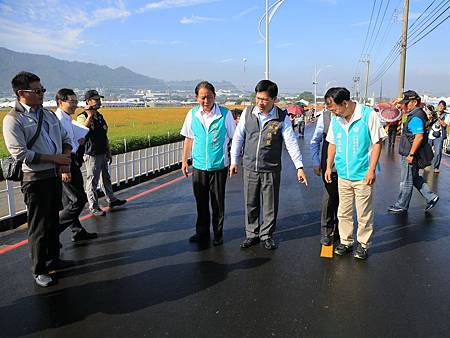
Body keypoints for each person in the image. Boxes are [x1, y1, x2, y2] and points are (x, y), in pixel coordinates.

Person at [3, 72, 73, 287]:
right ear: (21, 93)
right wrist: (55, 158)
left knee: (52, 221)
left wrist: (66, 157)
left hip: (53, 175)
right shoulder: (13, 119)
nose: (42, 94)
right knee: (39, 226)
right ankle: (39, 268)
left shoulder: (49, 115)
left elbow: (65, 138)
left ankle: (54, 258)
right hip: (35, 179)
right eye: (37, 91)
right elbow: (20, 153)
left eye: (42, 90)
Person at [230, 80, 308, 250]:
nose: (260, 103)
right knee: (251, 203)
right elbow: (238, 137)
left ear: (274, 99)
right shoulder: (248, 113)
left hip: (271, 168)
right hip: (250, 166)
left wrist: (299, 167)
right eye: (258, 98)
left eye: (265, 99)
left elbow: (291, 142)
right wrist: (234, 160)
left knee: (270, 204)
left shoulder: (281, 117)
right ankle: (252, 233)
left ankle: (266, 234)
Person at [324, 87, 386, 260]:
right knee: (344, 211)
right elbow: (332, 143)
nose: (334, 113)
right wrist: (329, 166)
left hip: (363, 174)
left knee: (364, 212)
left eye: (335, 108)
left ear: (345, 103)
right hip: (343, 174)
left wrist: (371, 170)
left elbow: (377, 143)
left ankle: (363, 244)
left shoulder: (367, 115)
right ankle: (346, 241)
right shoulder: (336, 119)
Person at [180, 81, 236, 246]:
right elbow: (188, 138)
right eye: (203, 97)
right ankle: (202, 232)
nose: (206, 101)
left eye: (209, 97)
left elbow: (235, 138)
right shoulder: (192, 114)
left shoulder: (225, 115)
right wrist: (184, 161)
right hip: (199, 166)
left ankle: (218, 234)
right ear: (196, 97)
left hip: (219, 166)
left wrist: (234, 161)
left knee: (218, 203)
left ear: (215, 97)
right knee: (201, 202)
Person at [54, 89, 98, 242]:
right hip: (66, 162)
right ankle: (52, 231)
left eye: (75, 102)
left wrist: (77, 142)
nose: (74, 105)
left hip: (71, 159)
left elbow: (70, 139)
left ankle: (77, 231)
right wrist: (64, 168)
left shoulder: (67, 118)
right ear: (61, 102)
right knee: (78, 200)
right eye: (71, 102)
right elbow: (58, 144)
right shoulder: (58, 119)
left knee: (69, 200)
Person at [388, 91, 439, 214]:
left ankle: (401, 205)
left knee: (406, 181)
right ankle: (431, 197)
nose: (404, 106)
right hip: (411, 153)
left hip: (410, 154)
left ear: (414, 102)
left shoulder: (416, 117)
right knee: (414, 178)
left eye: (407, 104)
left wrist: (410, 154)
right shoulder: (418, 112)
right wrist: (399, 101)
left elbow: (419, 137)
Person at [77, 90, 127, 216]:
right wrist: (89, 115)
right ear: (88, 101)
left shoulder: (99, 116)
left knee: (106, 177)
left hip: (102, 151)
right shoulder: (82, 116)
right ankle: (93, 206)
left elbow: (104, 136)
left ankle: (111, 199)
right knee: (92, 180)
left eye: (99, 99)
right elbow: (82, 131)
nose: (99, 102)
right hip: (91, 153)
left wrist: (108, 151)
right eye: (96, 99)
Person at [310, 108, 339, 246]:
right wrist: (316, 162)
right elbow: (315, 140)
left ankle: (341, 230)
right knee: (329, 198)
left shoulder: (352, 115)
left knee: (344, 201)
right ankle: (326, 231)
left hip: (348, 167)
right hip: (329, 166)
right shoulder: (325, 116)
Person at [427, 100, 449, 173]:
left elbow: (444, 125)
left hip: (439, 135)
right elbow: (428, 121)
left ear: (444, 107)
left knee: (438, 152)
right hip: (430, 134)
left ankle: (436, 167)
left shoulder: (446, 115)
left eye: (442, 106)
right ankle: (426, 164)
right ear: (438, 106)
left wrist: (438, 117)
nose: (440, 107)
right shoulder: (434, 113)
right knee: (427, 150)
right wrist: (430, 115)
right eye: (439, 106)